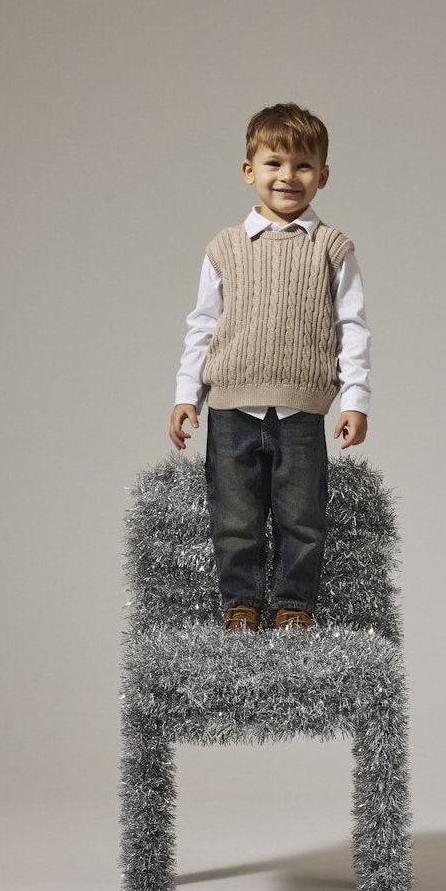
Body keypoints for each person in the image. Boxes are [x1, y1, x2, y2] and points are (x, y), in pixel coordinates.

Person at [169, 103, 371, 634]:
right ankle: (242, 603)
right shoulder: (225, 248)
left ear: (322, 176)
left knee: (301, 518)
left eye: (303, 166)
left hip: (301, 412)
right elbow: (202, 326)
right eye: (274, 163)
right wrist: (186, 393)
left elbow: (352, 327)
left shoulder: (331, 248)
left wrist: (355, 400)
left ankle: (294, 606)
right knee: (235, 517)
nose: (288, 177)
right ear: (248, 170)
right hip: (233, 408)